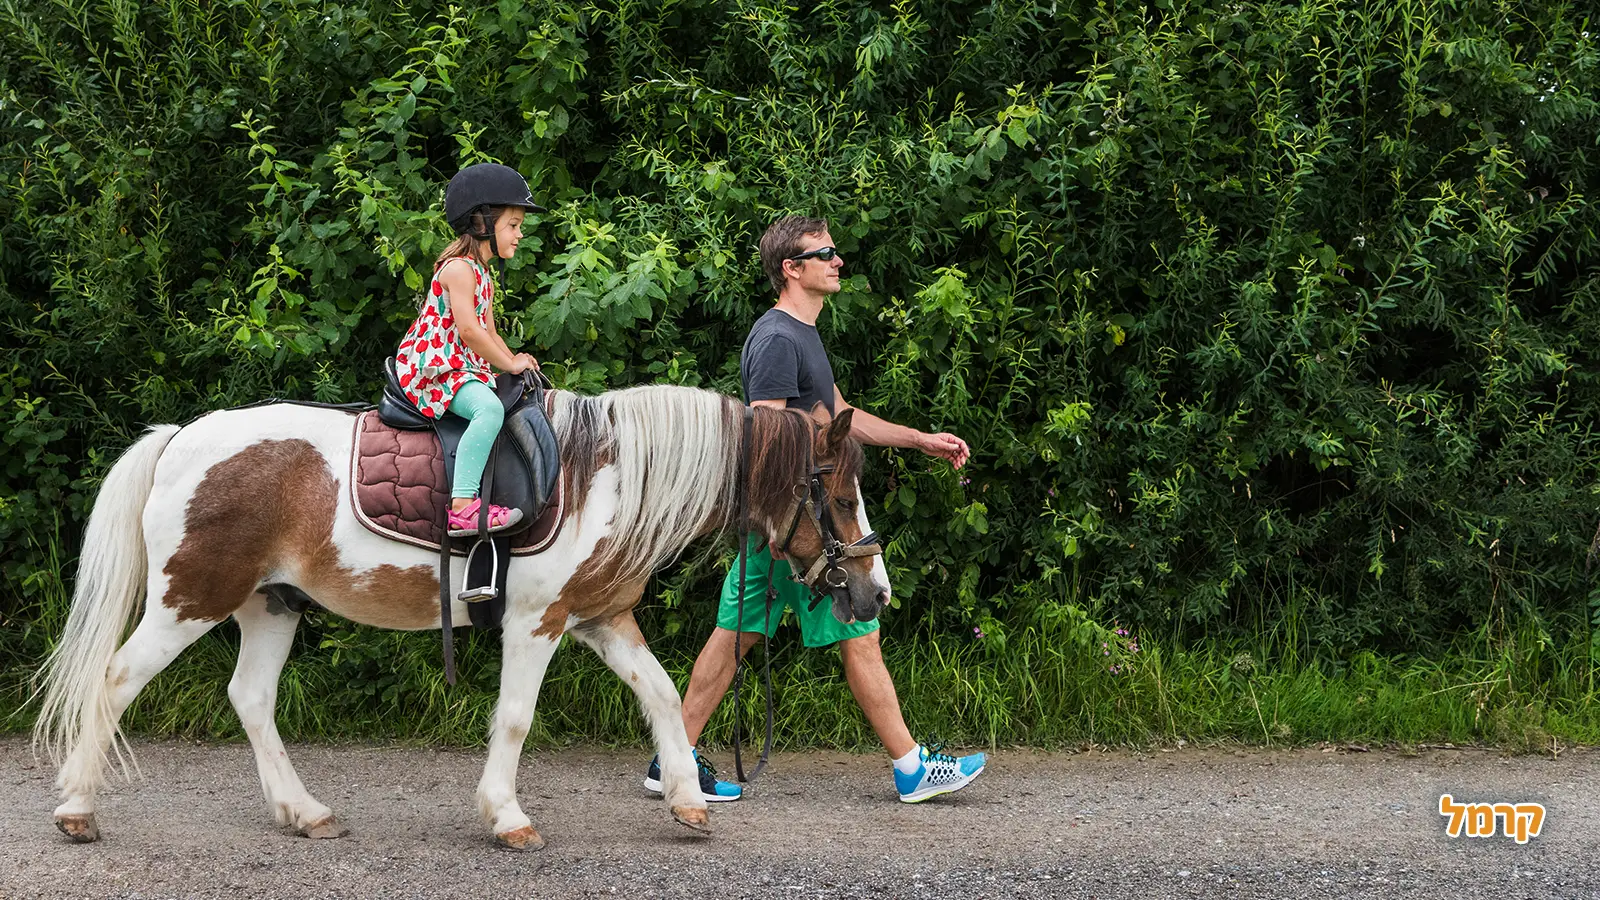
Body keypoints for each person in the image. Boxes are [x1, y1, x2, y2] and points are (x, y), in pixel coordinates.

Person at [643, 215, 986, 804]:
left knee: (738, 635)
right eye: (823, 253)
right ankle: (910, 768)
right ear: (791, 268)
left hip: (793, 523)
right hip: (798, 528)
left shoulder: (802, 333)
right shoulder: (777, 339)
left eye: (834, 251)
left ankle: (671, 759)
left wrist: (919, 438)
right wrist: (787, 531)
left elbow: (840, 415)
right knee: (853, 628)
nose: (837, 261)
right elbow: (771, 436)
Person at [394, 163, 543, 536]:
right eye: (513, 225)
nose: (519, 234)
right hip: (433, 369)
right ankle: (462, 506)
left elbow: (489, 330)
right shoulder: (459, 269)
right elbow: (469, 331)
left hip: (458, 366)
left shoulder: (482, 272)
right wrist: (508, 363)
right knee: (489, 409)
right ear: (482, 224)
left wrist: (515, 361)